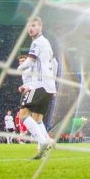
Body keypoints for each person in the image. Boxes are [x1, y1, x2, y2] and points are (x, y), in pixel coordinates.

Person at [17, 17, 57, 159]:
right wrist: (53, 84)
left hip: (39, 84)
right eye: (29, 26)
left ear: (40, 27)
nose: (31, 28)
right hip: (48, 86)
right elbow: (55, 63)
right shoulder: (46, 43)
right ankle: (43, 148)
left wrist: (18, 68)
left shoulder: (37, 42)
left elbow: (29, 61)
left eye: (34, 25)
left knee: (23, 115)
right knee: (38, 118)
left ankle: (42, 141)